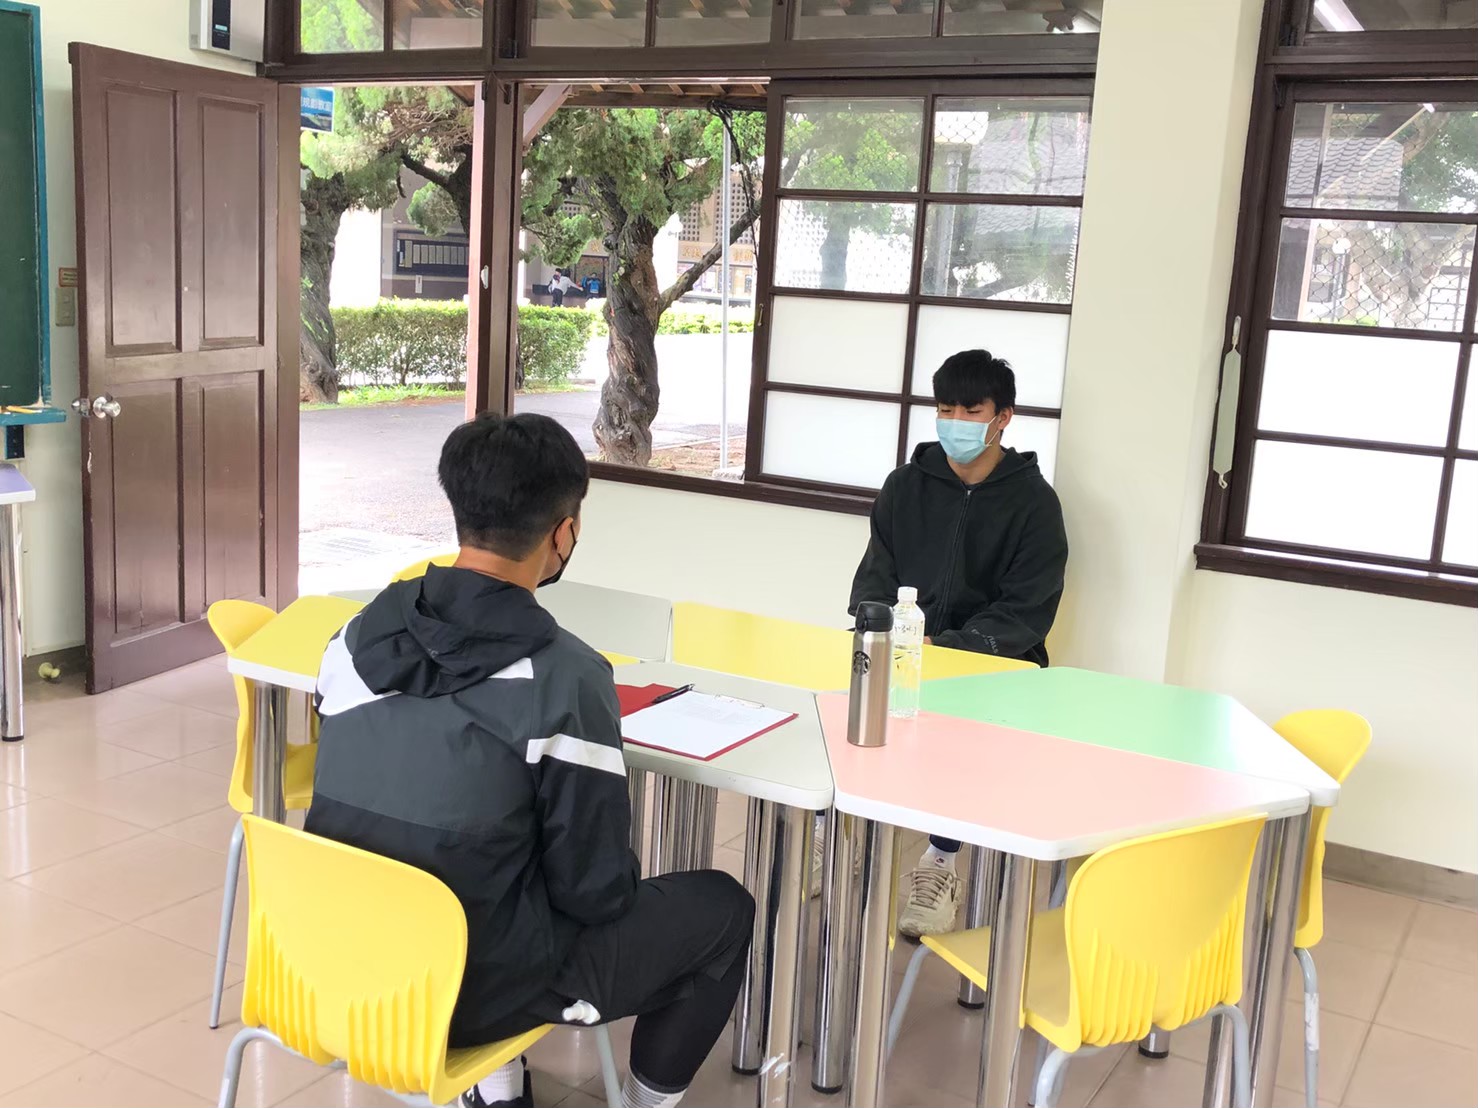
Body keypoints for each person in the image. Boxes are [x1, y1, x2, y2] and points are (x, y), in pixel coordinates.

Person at [305, 412, 755, 1108]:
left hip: (343, 955)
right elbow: (594, 891)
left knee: (482, 855)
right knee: (722, 908)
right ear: (563, 533)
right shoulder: (566, 676)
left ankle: (499, 1085)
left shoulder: (353, 637)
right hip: (475, 988)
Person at [847, 349, 1068, 939]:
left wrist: (948, 649)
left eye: (972, 411)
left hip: (990, 660)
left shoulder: (1035, 504)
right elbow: (875, 573)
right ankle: (835, 834)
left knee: (964, 757)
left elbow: (1028, 608)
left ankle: (940, 862)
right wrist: (881, 630)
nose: (956, 422)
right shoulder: (905, 486)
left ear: (1003, 418)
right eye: (946, 409)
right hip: (900, 645)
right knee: (850, 713)